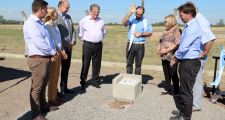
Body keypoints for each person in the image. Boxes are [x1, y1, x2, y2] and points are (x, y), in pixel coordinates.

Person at [23, 0, 57, 119]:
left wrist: (51, 54)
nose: (47, 12)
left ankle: (43, 107)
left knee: (43, 85)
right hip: (38, 59)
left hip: (44, 57)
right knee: (37, 88)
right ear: (41, 9)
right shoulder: (31, 23)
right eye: (46, 9)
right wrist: (53, 52)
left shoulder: (40, 23)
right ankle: (36, 114)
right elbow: (39, 43)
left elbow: (47, 40)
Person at [170, 2, 202, 120]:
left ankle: (185, 116)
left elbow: (184, 47)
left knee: (186, 91)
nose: (180, 17)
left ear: (189, 13)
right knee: (184, 89)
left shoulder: (193, 27)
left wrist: (175, 57)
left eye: (181, 14)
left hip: (189, 62)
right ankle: (183, 111)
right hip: (187, 61)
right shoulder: (190, 25)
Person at [192, 4, 216, 111]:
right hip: (195, 56)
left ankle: (196, 105)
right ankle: (195, 99)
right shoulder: (198, 19)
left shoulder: (200, 22)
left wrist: (205, 52)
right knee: (196, 79)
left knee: (197, 79)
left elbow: (210, 38)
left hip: (198, 57)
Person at [78, 4, 106, 91]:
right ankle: (83, 82)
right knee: (86, 64)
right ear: (90, 11)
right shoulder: (84, 20)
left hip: (98, 45)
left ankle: (95, 81)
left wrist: (98, 38)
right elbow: (80, 33)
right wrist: (86, 40)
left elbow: (104, 32)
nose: (96, 13)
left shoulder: (101, 21)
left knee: (97, 64)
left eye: (98, 12)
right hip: (88, 45)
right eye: (94, 12)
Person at [44, 7, 68, 106]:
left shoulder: (55, 26)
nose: (56, 14)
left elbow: (59, 41)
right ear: (50, 14)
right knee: (52, 77)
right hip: (53, 54)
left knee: (56, 76)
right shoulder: (47, 26)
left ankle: (54, 96)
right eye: (54, 13)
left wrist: (62, 50)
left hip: (58, 53)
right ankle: (50, 99)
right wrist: (60, 52)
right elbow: (52, 42)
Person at [122, 5, 152, 75]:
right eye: (137, 14)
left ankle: (137, 81)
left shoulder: (146, 21)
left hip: (140, 46)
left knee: (138, 65)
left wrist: (141, 34)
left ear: (143, 14)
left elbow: (150, 33)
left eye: (140, 14)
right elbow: (123, 22)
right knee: (129, 63)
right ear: (135, 13)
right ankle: (129, 79)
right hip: (130, 44)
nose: (138, 15)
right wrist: (130, 13)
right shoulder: (132, 19)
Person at [157, 15, 180, 95]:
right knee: (166, 73)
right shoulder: (165, 30)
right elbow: (160, 40)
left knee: (173, 73)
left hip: (172, 57)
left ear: (171, 21)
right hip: (164, 56)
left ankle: (176, 91)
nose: (164, 22)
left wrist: (166, 50)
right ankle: (168, 89)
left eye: (165, 21)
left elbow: (177, 44)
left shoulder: (176, 30)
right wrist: (159, 48)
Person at [57, 0, 76, 96]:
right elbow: (56, 34)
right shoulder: (55, 16)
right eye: (66, 7)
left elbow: (73, 30)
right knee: (56, 71)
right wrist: (63, 45)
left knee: (66, 68)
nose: (68, 9)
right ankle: (55, 92)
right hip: (60, 49)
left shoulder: (69, 17)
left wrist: (73, 41)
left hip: (69, 47)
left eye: (68, 7)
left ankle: (64, 88)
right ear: (60, 6)